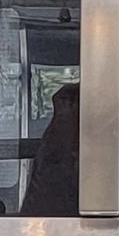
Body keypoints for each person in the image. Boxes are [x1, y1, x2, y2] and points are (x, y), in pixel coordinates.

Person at [20, 82, 80, 215]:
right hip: (51, 211)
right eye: (62, 103)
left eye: (68, 103)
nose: (64, 109)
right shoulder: (57, 135)